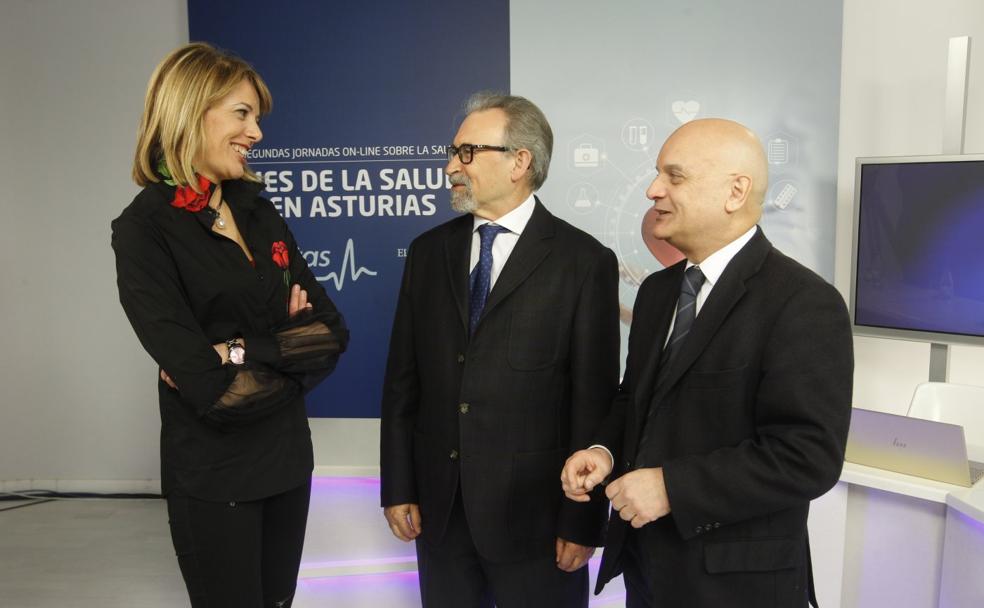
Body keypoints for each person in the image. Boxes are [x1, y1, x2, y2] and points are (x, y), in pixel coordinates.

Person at [561, 118, 853, 608]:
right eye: (657, 175)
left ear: (735, 191)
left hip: (736, 586)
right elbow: (636, 400)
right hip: (648, 572)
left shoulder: (804, 302)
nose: (653, 190)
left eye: (674, 176)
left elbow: (808, 457)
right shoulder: (658, 293)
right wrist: (604, 451)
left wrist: (671, 488)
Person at [111, 43, 348, 608]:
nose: (257, 133)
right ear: (191, 111)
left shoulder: (257, 208)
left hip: (289, 462)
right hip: (215, 479)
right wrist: (287, 350)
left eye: (257, 118)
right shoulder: (143, 231)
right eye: (242, 114)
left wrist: (238, 349)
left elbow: (332, 333)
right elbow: (206, 387)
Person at [379, 92, 620, 608]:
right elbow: (403, 382)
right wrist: (398, 487)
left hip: (537, 522)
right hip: (440, 515)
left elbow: (593, 400)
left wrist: (582, 520)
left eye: (466, 153)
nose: (450, 167)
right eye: (453, 152)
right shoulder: (428, 252)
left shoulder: (583, 261)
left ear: (520, 162)